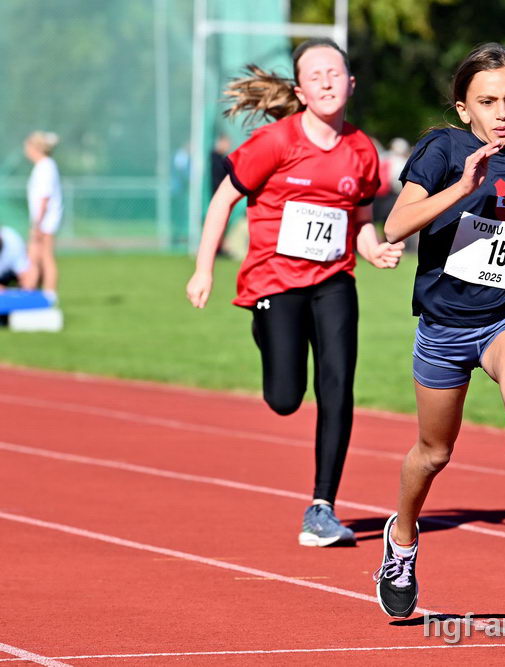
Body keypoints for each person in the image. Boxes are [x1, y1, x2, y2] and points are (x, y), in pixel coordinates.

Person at [372, 42, 505, 620]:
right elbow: (395, 224)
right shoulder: (442, 150)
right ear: (464, 108)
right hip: (444, 326)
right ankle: (402, 541)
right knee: (434, 452)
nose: (503, 113)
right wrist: (463, 186)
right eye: (488, 101)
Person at [185, 38, 403, 547]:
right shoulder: (276, 143)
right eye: (315, 75)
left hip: (333, 281)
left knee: (337, 385)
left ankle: (322, 506)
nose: (326, 82)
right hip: (274, 282)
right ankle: (266, 330)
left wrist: (373, 251)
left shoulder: (362, 150)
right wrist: (203, 270)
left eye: (335, 73)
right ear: (302, 90)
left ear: (351, 84)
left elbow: (362, 221)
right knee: (285, 398)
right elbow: (223, 201)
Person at [24, 131, 63, 301]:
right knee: (34, 257)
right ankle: (31, 292)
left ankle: (49, 295)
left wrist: (37, 224)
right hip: (42, 220)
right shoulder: (42, 166)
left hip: (45, 221)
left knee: (45, 256)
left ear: (35, 148)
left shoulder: (46, 166)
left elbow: (44, 198)